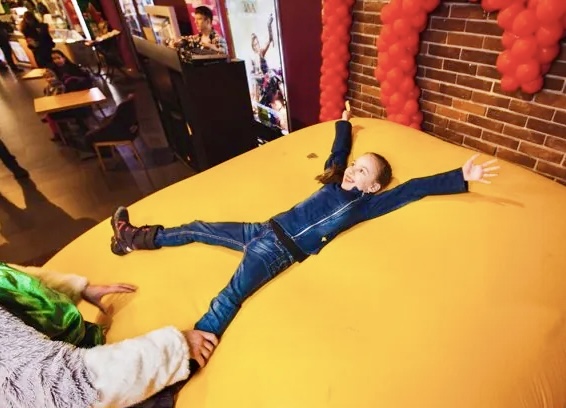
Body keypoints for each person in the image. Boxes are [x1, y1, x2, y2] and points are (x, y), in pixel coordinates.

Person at [109, 106, 500, 340]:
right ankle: (134, 238)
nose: (353, 170)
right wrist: (345, 124)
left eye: (363, 171)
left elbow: (411, 189)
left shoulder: (363, 204)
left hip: (277, 251)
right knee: (198, 227)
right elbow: (339, 153)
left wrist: (459, 177)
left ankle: (183, 363)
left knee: (228, 297)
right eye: (356, 165)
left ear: (373, 186)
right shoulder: (335, 178)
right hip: (262, 229)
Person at [0, 262, 218, 408]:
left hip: (80, 355)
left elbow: (16, 282)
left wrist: (78, 289)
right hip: (66, 398)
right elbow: (68, 389)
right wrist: (174, 348)